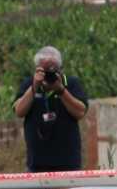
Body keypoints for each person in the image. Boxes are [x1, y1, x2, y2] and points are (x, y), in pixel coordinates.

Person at [13, 45, 90, 174]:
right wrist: (34, 88)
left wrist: (61, 90)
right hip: (37, 163)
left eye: (52, 70)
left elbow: (80, 112)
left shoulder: (71, 83)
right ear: (37, 69)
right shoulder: (29, 84)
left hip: (68, 163)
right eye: (44, 70)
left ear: (60, 69)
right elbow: (19, 111)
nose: (49, 75)